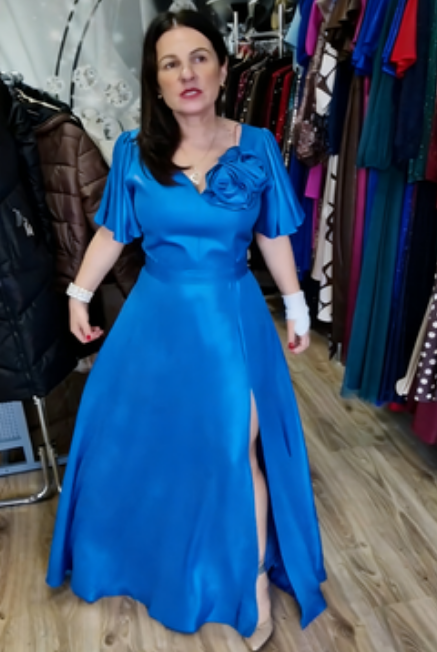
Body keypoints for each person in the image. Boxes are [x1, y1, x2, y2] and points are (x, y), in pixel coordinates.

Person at [46, 9, 327, 651]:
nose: (187, 73)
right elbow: (114, 231)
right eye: (170, 64)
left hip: (231, 318)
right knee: (150, 444)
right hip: (154, 322)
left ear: (224, 69)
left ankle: (250, 584)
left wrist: (297, 306)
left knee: (233, 447)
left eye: (199, 57)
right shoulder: (132, 151)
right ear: (157, 82)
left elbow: (272, 232)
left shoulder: (257, 144)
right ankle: (153, 554)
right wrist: (79, 294)